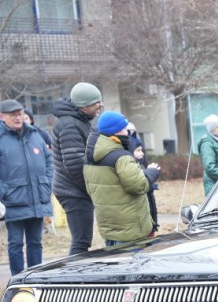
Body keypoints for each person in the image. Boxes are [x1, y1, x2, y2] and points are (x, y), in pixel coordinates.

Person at [83, 111, 161, 246]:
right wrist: (152, 172)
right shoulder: (121, 157)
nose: (127, 133)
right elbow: (138, 185)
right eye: (125, 129)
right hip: (130, 229)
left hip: (109, 227)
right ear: (117, 131)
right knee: (134, 265)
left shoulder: (89, 158)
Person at [0, 99, 53, 274]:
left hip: (37, 198)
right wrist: (4, 193)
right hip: (13, 201)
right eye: (13, 114)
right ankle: (17, 280)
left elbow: (48, 161)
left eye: (20, 113)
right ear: (2, 117)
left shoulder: (35, 134)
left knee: (36, 243)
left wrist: (46, 183)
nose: (18, 117)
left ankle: (35, 278)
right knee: (15, 244)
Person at [52, 81, 103, 255]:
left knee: (82, 241)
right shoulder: (70, 124)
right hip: (74, 192)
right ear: (83, 105)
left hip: (77, 190)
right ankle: (72, 280)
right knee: (81, 242)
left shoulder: (80, 121)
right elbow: (74, 164)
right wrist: (91, 189)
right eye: (96, 102)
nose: (100, 105)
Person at [126, 122, 158, 233]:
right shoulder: (130, 166)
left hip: (149, 216)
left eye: (142, 150)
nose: (142, 153)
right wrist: (150, 173)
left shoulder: (141, 164)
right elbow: (139, 185)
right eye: (138, 151)